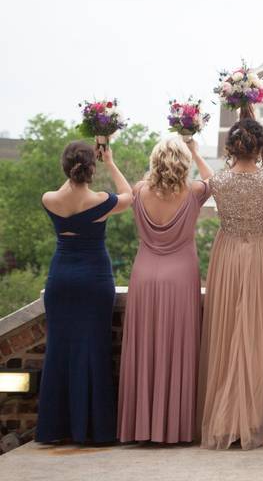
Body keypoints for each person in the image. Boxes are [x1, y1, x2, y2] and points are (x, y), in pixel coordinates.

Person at [197, 106, 263, 450]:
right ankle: (255, 418)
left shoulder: (218, 181)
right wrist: (260, 133)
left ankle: (226, 421)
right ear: (260, 148)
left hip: (229, 257)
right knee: (259, 332)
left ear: (231, 149)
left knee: (229, 332)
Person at [118, 137, 213, 444]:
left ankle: (141, 427)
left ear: (154, 162)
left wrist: (110, 161)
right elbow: (213, 179)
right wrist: (196, 152)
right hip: (180, 275)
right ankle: (174, 427)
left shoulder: (139, 190)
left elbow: (130, 188)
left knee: (144, 347)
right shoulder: (194, 192)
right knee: (178, 348)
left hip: (144, 274)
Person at [38, 141, 133, 443]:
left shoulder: (49, 199)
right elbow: (130, 196)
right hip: (94, 280)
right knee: (93, 349)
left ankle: (56, 427)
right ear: (92, 167)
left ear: (65, 166)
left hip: (61, 279)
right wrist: (111, 161)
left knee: (59, 350)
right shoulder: (101, 201)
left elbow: (66, 189)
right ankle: (92, 428)